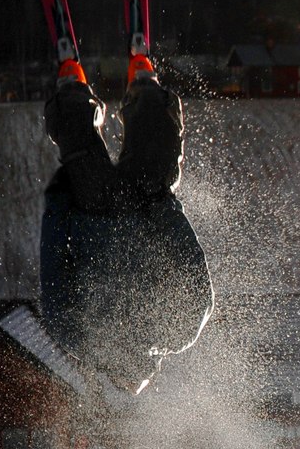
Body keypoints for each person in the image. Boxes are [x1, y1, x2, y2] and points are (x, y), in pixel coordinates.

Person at [40, 55, 214, 392]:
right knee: (79, 146)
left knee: (157, 148)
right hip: (96, 210)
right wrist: (59, 206)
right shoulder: (79, 341)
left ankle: (145, 92)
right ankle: (72, 92)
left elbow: (192, 265)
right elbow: (53, 264)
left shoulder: (178, 331)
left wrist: (164, 209)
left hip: (138, 207)